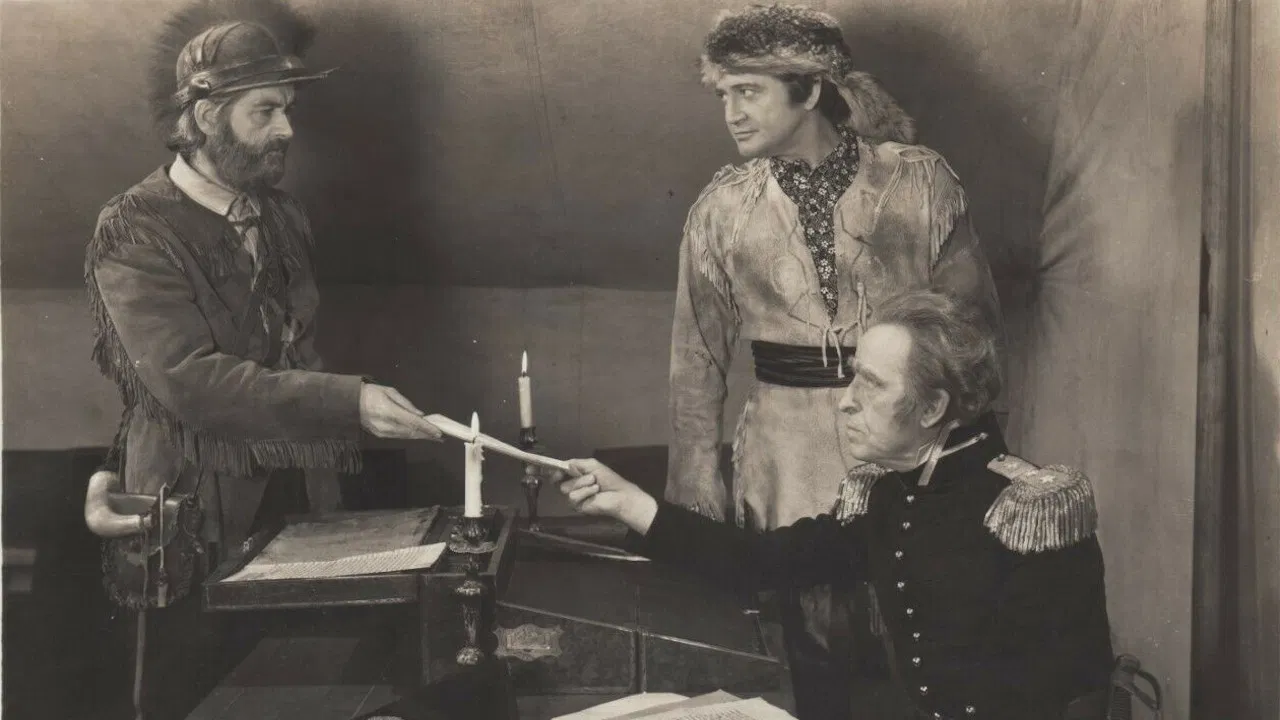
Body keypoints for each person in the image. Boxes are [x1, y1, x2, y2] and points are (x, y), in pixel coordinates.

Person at [83, 4, 442, 715]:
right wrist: (350, 401)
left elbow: (291, 348)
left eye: (288, 109)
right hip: (195, 520)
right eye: (266, 111)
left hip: (300, 504)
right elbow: (189, 381)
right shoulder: (132, 229)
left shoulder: (281, 215)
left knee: (310, 694)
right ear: (206, 116)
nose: (287, 130)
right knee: (200, 700)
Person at [665, 5, 1002, 717]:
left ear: (811, 89)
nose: (731, 113)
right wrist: (697, 482)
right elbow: (696, 359)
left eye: (749, 91)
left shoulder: (920, 183)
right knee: (809, 652)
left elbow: (972, 335)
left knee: (919, 637)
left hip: (905, 439)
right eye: (723, 93)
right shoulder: (722, 209)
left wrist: (963, 465)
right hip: (783, 457)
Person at [565, 290, 1112, 720]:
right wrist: (630, 504)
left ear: (932, 408)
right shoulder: (890, 496)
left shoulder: (1030, 511)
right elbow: (762, 560)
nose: (845, 403)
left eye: (871, 386)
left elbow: (1069, 695)